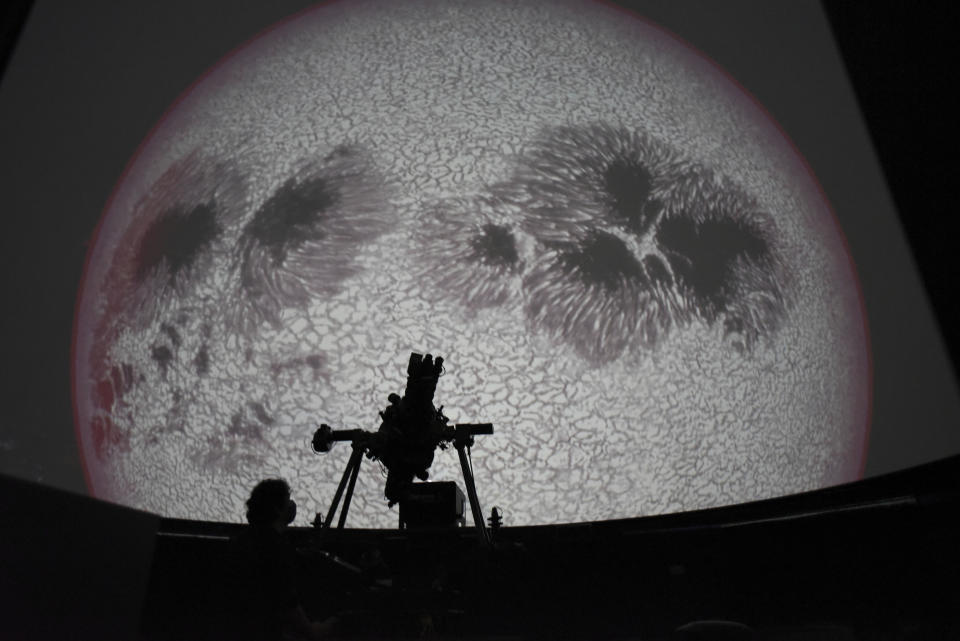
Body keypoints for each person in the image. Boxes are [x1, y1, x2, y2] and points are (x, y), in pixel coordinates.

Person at [232, 479, 338, 640]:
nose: (292, 504)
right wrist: (318, 630)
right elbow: (288, 608)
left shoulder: (241, 542)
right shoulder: (276, 549)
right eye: (288, 500)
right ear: (276, 508)